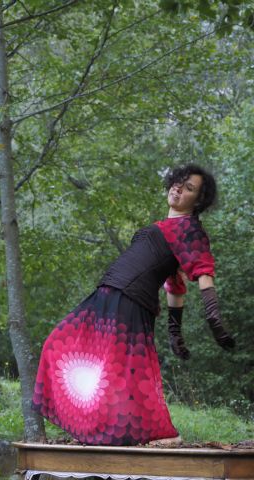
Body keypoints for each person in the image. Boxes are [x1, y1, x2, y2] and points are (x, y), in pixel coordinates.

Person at [32, 164, 235, 446]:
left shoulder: (190, 229)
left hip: (129, 301)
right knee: (58, 345)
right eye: (178, 182)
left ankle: (149, 434)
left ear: (198, 201)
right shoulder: (169, 228)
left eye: (189, 188)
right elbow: (174, 286)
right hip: (107, 293)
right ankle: (97, 428)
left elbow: (202, 271)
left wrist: (214, 319)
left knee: (119, 374)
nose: (178, 188)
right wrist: (175, 333)